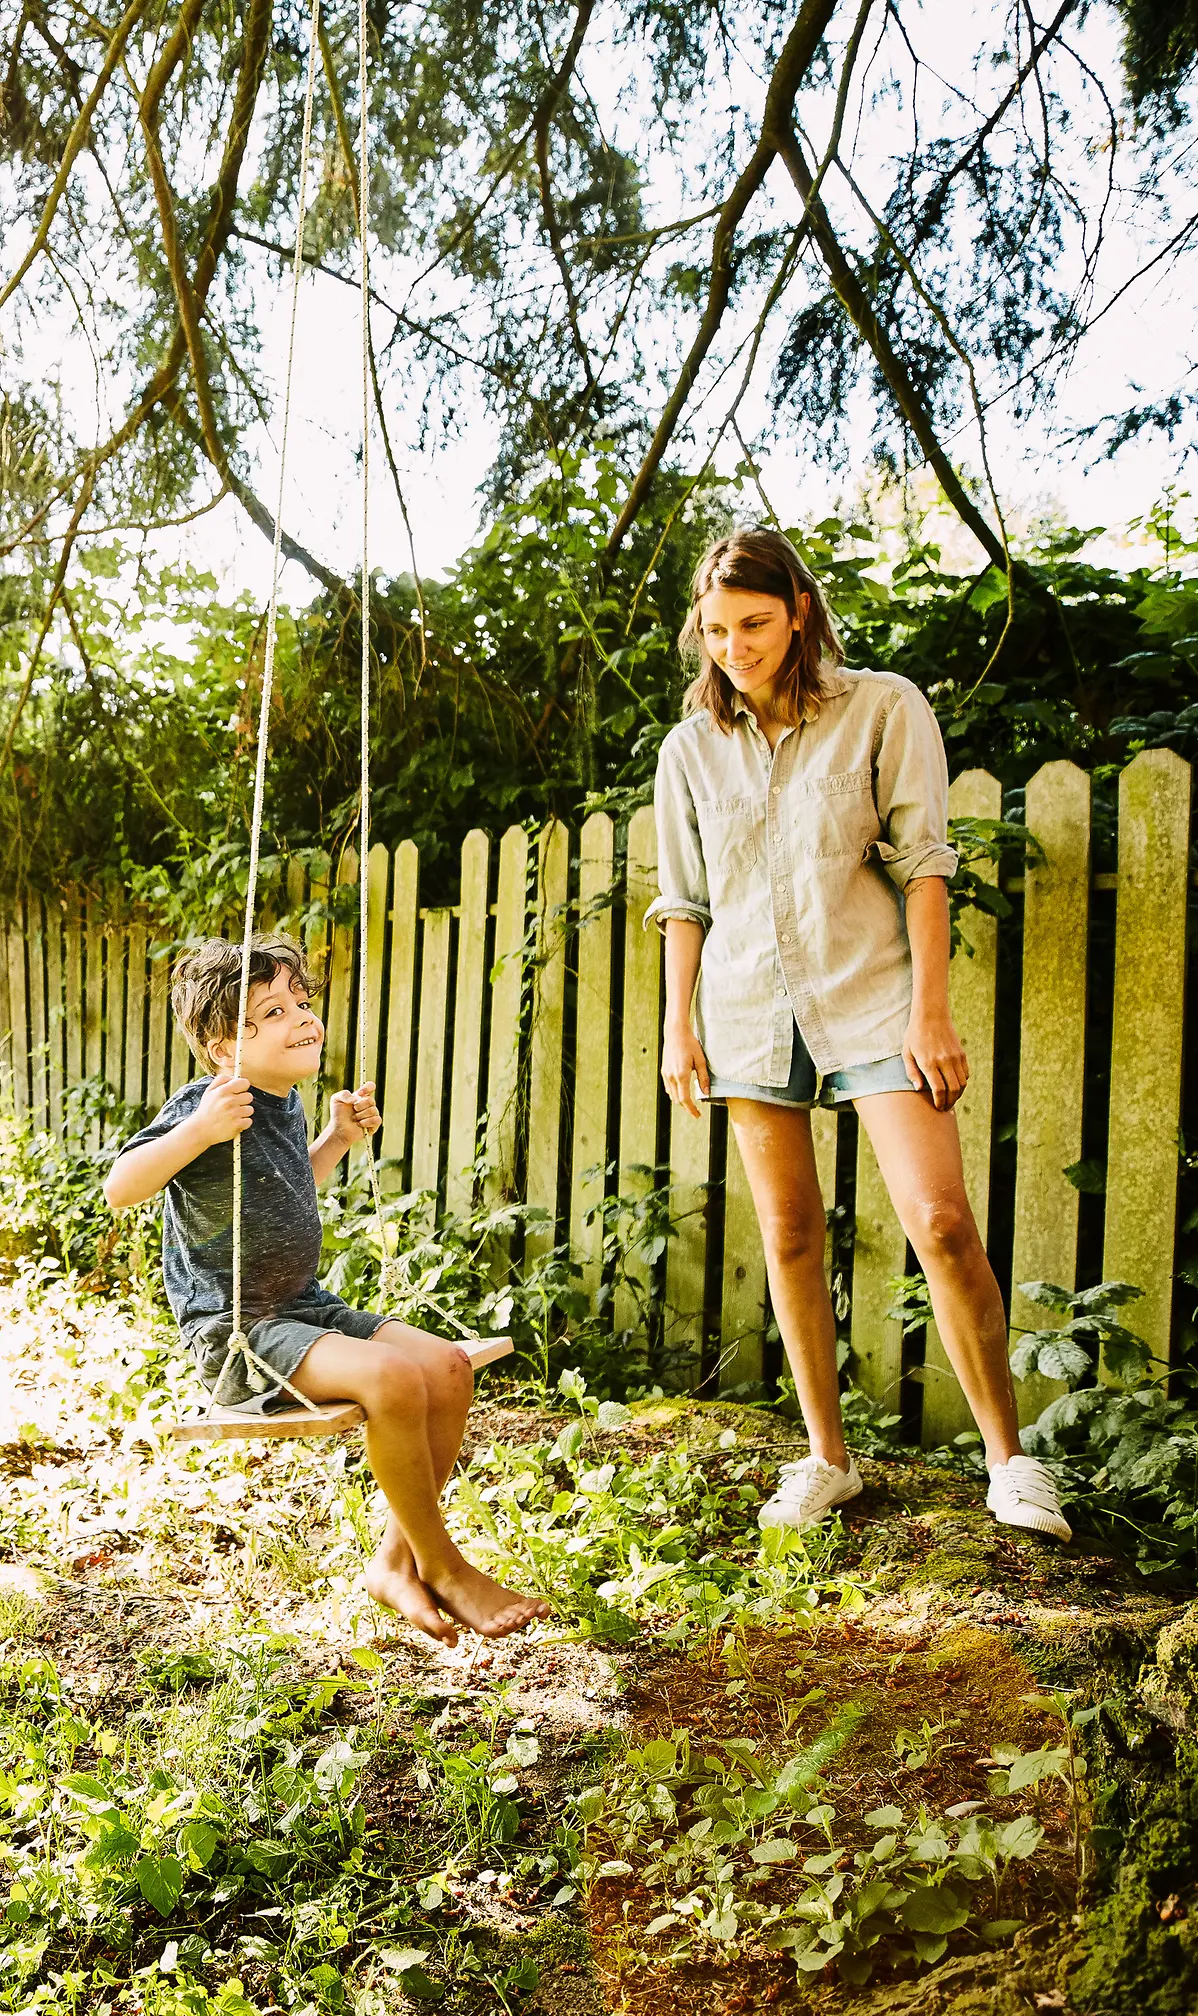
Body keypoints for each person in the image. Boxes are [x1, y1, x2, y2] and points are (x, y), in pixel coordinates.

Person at [650, 528, 1070, 1542]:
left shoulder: (884, 706)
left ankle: (1011, 1463)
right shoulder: (688, 751)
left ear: (800, 611)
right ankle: (827, 1460)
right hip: (747, 1008)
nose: (736, 648)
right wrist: (677, 1027)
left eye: (755, 623)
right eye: (717, 631)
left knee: (941, 1221)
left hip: (874, 995)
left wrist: (932, 1011)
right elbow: (685, 903)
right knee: (791, 1234)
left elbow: (924, 863)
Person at [103, 933, 549, 1643]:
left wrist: (337, 1138)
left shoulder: (284, 1105)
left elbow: (285, 1194)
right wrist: (198, 1131)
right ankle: (443, 1566)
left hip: (304, 1309)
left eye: (301, 1001)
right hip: (239, 1331)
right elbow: (121, 1186)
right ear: (224, 1048)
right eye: (273, 1012)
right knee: (393, 1378)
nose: (302, 1018)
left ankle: (394, 1563)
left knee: (447, 1366)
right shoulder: (209, 1103)